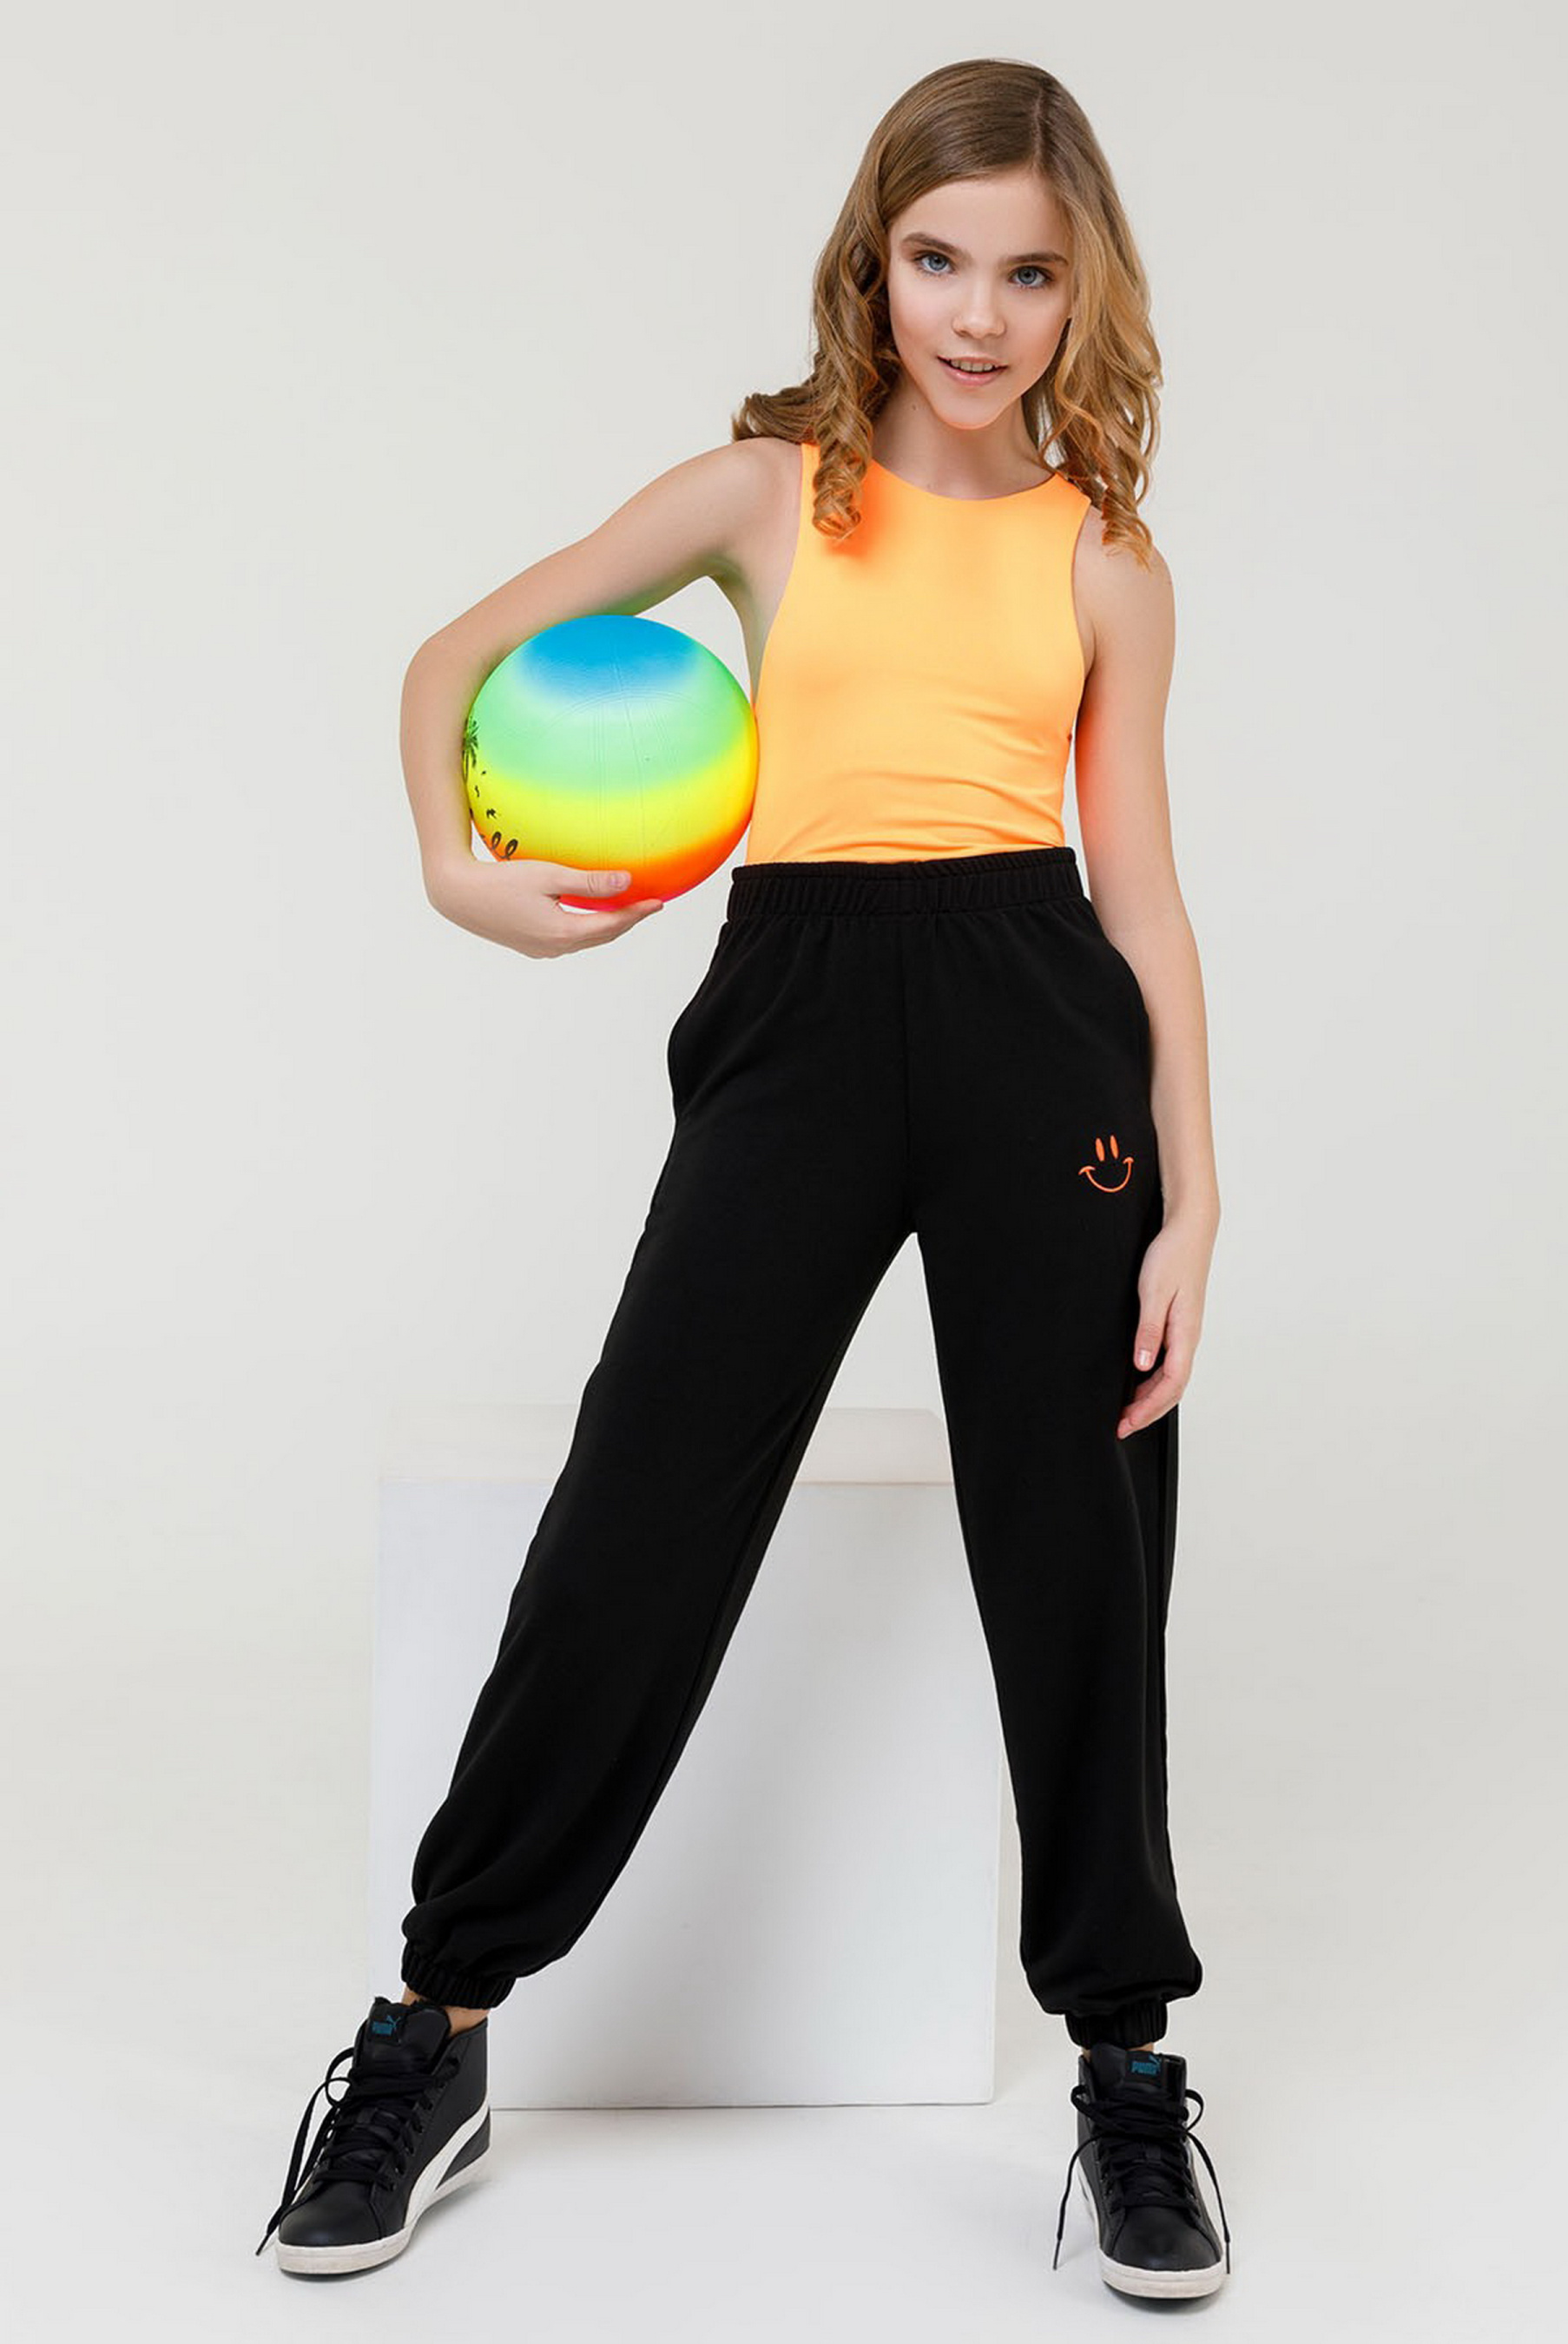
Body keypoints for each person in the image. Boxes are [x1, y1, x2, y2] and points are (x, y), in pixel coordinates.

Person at [255, 55, 1231, 2301]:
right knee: (642, 1503)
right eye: (937, 261)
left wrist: (1196, 1195)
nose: (975, 315)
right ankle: (436, 2021)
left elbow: (1148, 898)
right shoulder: (767, 494)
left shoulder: (1104, 562)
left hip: (1038, 1024)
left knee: (1080, 1545)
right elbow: (446, 660)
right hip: (796, 1015)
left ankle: (1126, 2064)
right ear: (870, 262)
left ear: (1082, 296)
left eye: (1027, 275)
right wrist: (457, 869)